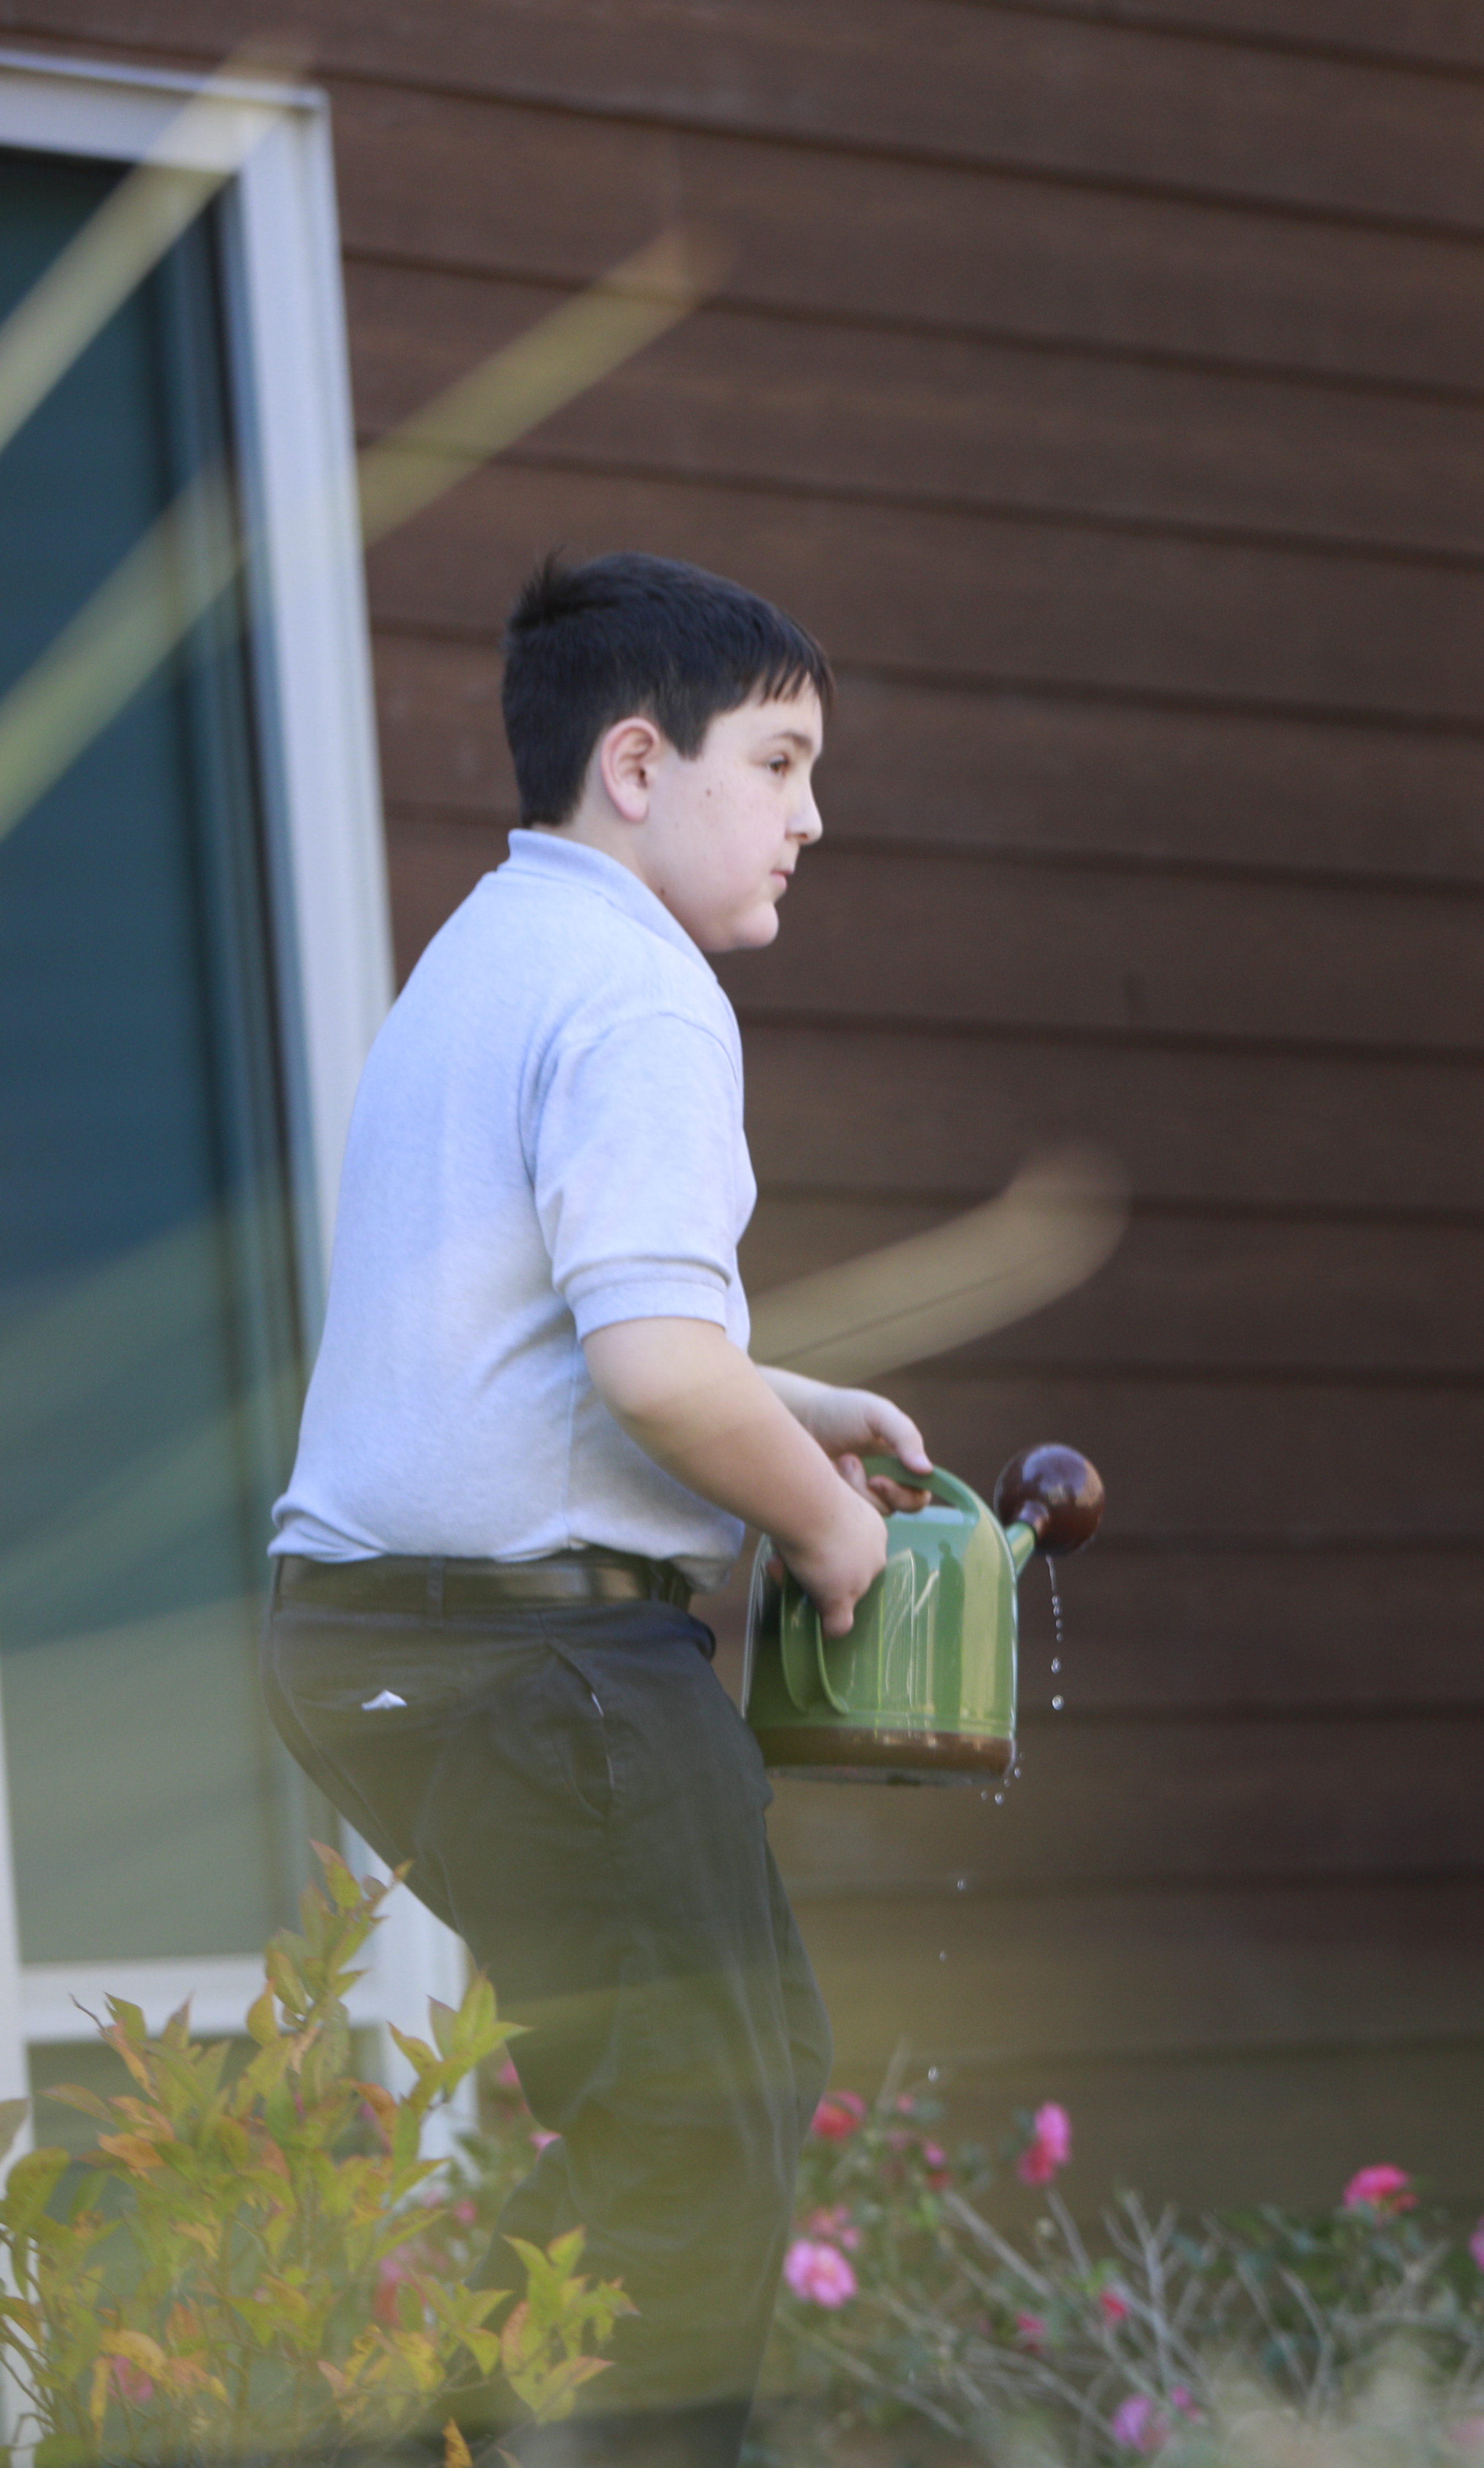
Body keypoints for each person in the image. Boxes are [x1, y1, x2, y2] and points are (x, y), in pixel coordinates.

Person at [266, 552, 928, 2468]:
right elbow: (648, 1371)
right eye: (783, 759)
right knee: (704, 2121)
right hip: (528, 1656)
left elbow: (537, 1332)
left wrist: (777, 1398)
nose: (814, 814)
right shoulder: (644, 990)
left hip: (381, 1638)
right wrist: (829, 1526)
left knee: (662, 2113)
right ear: (637, 762)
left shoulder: (485, 950)